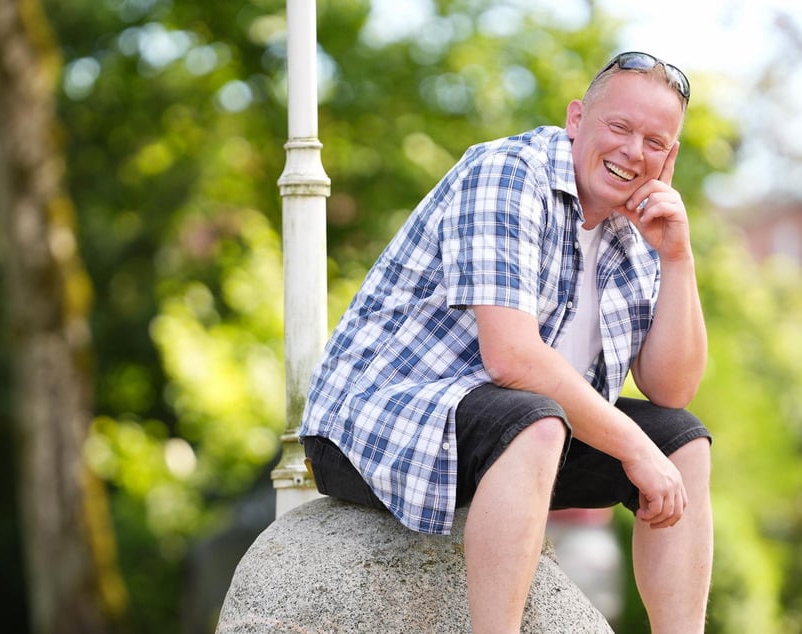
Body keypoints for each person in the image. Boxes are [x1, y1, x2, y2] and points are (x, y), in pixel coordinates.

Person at [299, 51, 713, 633]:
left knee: (682, 441)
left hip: (520, 436)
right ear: (577, 120)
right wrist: (634, 450)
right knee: (541, 419)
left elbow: (673, 387)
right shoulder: (508, 172)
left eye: (653, 140)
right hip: (380, 421)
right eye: (619, 127)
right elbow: (512, 357)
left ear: (669, 157)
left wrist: (677, 255)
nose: (632, 151)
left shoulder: (637, 226)